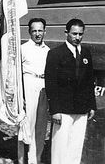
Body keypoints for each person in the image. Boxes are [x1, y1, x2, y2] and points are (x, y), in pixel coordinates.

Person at [45, 19, 96, 164]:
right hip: (63, 109)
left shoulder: (86, 53)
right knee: (60, 147)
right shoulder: (55, 54)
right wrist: (54, 110)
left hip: (81, 108)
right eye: (74, 34)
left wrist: (91, 105)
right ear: (66, 33)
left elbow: (89, 81)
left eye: (80, 34)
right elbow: (51, 83)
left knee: (76, 146)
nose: (77, 37)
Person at [19, 18, 50, 164]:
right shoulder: (23, 49)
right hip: (28, 84)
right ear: (29, 32)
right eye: (34, 31)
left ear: (45, 31)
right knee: (27, 124)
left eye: (40, 30)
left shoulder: (48, 50)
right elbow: (16, 73)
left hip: (44, 86)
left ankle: (35, 159)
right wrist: (21, 95)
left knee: (41, 125)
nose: (37, 34)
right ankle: (22, 158)